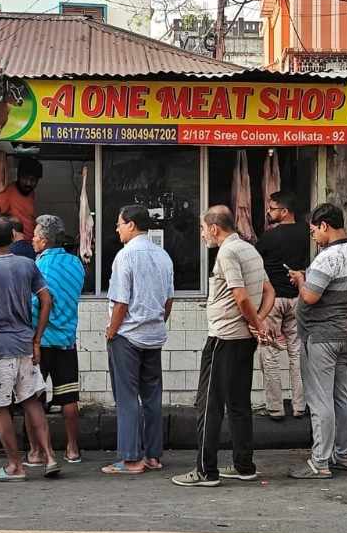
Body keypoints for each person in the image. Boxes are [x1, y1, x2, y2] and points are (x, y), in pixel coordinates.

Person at [172, 205, 276, 487]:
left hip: (224, 339)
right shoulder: (249, 249)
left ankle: (206, 471)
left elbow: (241, 297)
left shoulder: (228, 252)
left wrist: (257, 322)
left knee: (208, 405)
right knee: (239, 404)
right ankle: (244, 465)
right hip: (243, 340)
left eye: (204, 229)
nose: (203, 234)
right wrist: (258, 322)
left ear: (214, 228)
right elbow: (269, 292)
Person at [0, 216, 59, 482]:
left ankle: (14, 466)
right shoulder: (28, 264)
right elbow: (46, 300)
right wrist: (37, 338)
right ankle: (50, 456)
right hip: (24, 346)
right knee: (31, 402)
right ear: (13, 238)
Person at [287, 203, 347, 480]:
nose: (314, 237)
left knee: (320, 401)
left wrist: (302, 280)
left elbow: (310, 297)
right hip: (345, 335)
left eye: (313, 231)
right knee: (341, 395)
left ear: (325, 226)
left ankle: (320, 461)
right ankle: (343, 454)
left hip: (322, 337)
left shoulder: (327, 258)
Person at [102, 205, 174, 476]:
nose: (117, 229)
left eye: (119, 224)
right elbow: (168, 301)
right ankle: (153, 456)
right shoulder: (163, 255)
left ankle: (131, 459)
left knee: (127, 396)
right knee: (152, 395)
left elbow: (121, 302)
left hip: (127, 335)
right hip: (154, 335)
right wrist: (155, 322)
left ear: (131, 225)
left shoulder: (125, 256)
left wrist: (112, 330)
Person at [25, 214, 85, 465]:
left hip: (41, 342)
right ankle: (72, 449)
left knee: (33, 398)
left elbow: (35, 305)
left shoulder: (38, 267)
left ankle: (37, 451)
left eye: (36, 237)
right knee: (69, 397)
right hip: (67, 340)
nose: (32, 240)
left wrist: (33, 337)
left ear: (45, 240)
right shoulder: (76, 264)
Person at [255, 191, 309, 420]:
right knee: (297, 354)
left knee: (270, 353)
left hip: (273, 301)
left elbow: (255, 261)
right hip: (297, 299)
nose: (268, 212)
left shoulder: (269, 237)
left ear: (284, 211)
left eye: (272, 208)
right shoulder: (308, 232)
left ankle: (275, 408)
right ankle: (299, 406)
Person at [0, 157, 42, 242]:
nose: (28, 183)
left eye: (33, 180)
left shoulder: (31, 193)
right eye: (25, 178)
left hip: (30, 244)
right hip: (16, 246)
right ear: (18, 176)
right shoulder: (9, 192)